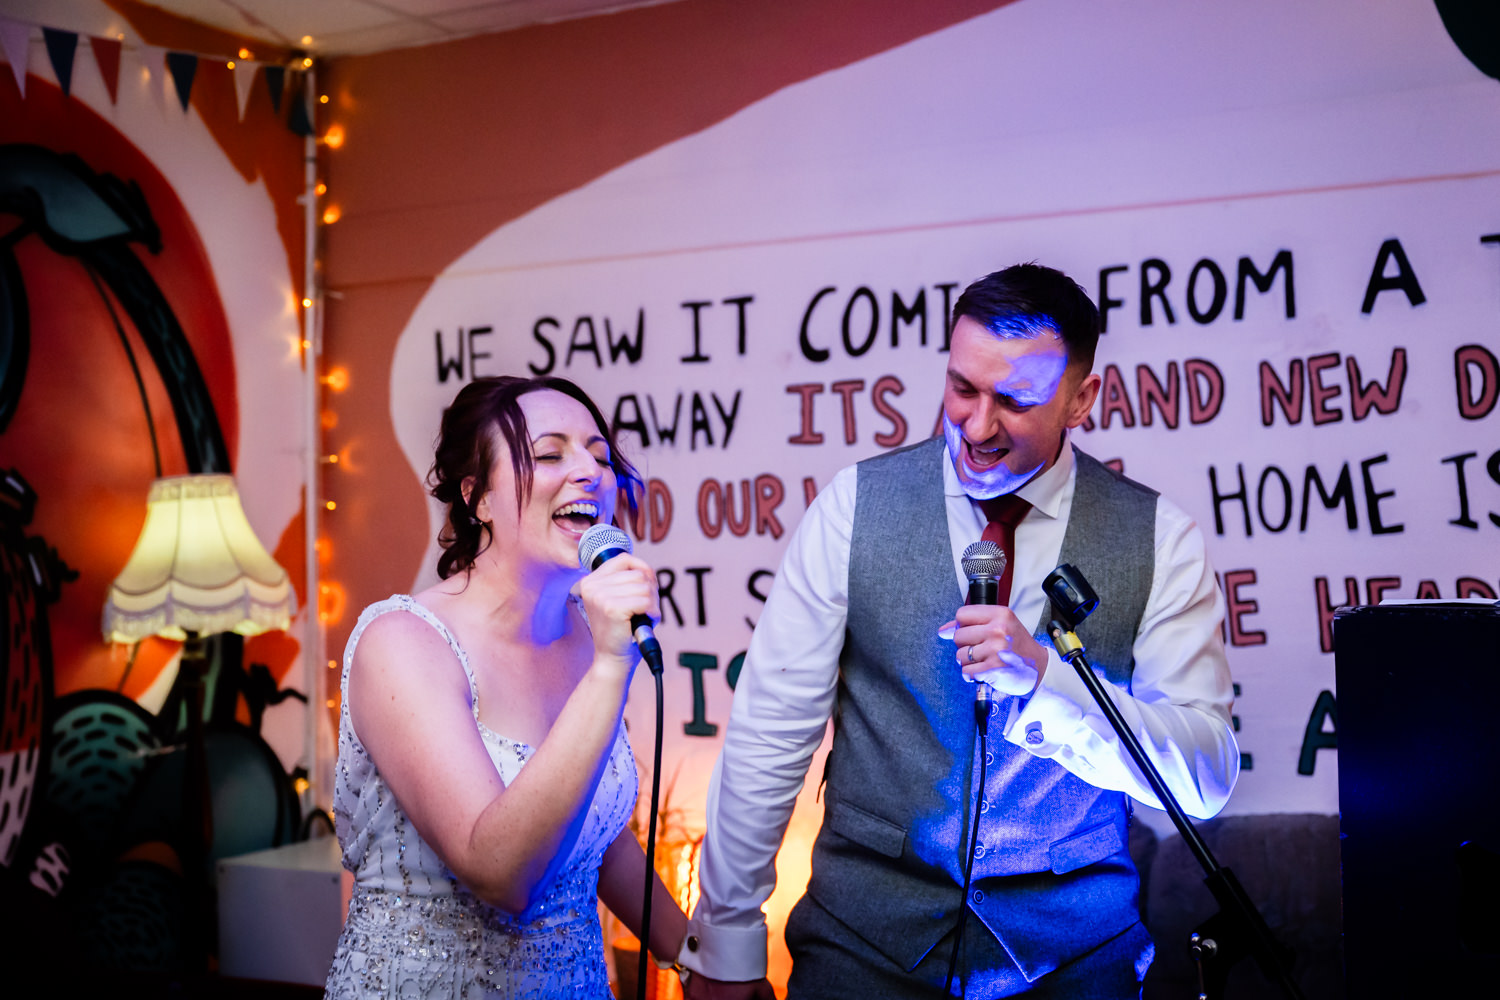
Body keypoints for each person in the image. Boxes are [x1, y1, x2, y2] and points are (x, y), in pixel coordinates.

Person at [679, 264, 1240, 999]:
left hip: (1074, 967)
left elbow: (1204, 781)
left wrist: (1049, 680)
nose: (976, 427)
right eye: (962, 389)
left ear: (1082, 400)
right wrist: (725, 939)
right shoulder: (853, 507)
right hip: (862, 951)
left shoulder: (1162, 537)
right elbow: (770, 730)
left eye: (1014, 400)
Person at [325, 374, 687, 998]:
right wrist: (609, 668)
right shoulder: (403, 641)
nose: (589, 472)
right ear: (478, 498)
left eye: (599, 457)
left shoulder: (585, 633)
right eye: (550, 454)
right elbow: (499, 873)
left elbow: (592, 832)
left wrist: (694, 956)